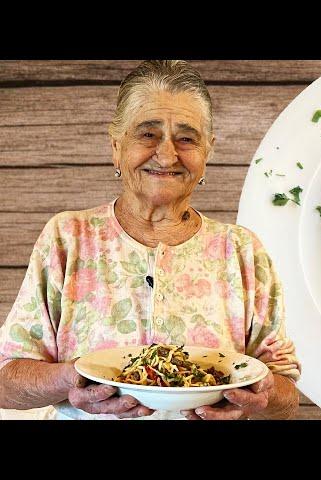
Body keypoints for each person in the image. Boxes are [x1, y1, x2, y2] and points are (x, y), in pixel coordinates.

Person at [0, 60, 300, 420]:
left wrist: (263, 395)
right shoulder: (68, 238)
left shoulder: (241, 250)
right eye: (147, 134)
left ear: (208, 152)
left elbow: (285, 395)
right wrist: (72, 379)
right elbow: (7, 384)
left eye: (186, 138)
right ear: (116, 146)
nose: (167, 154)